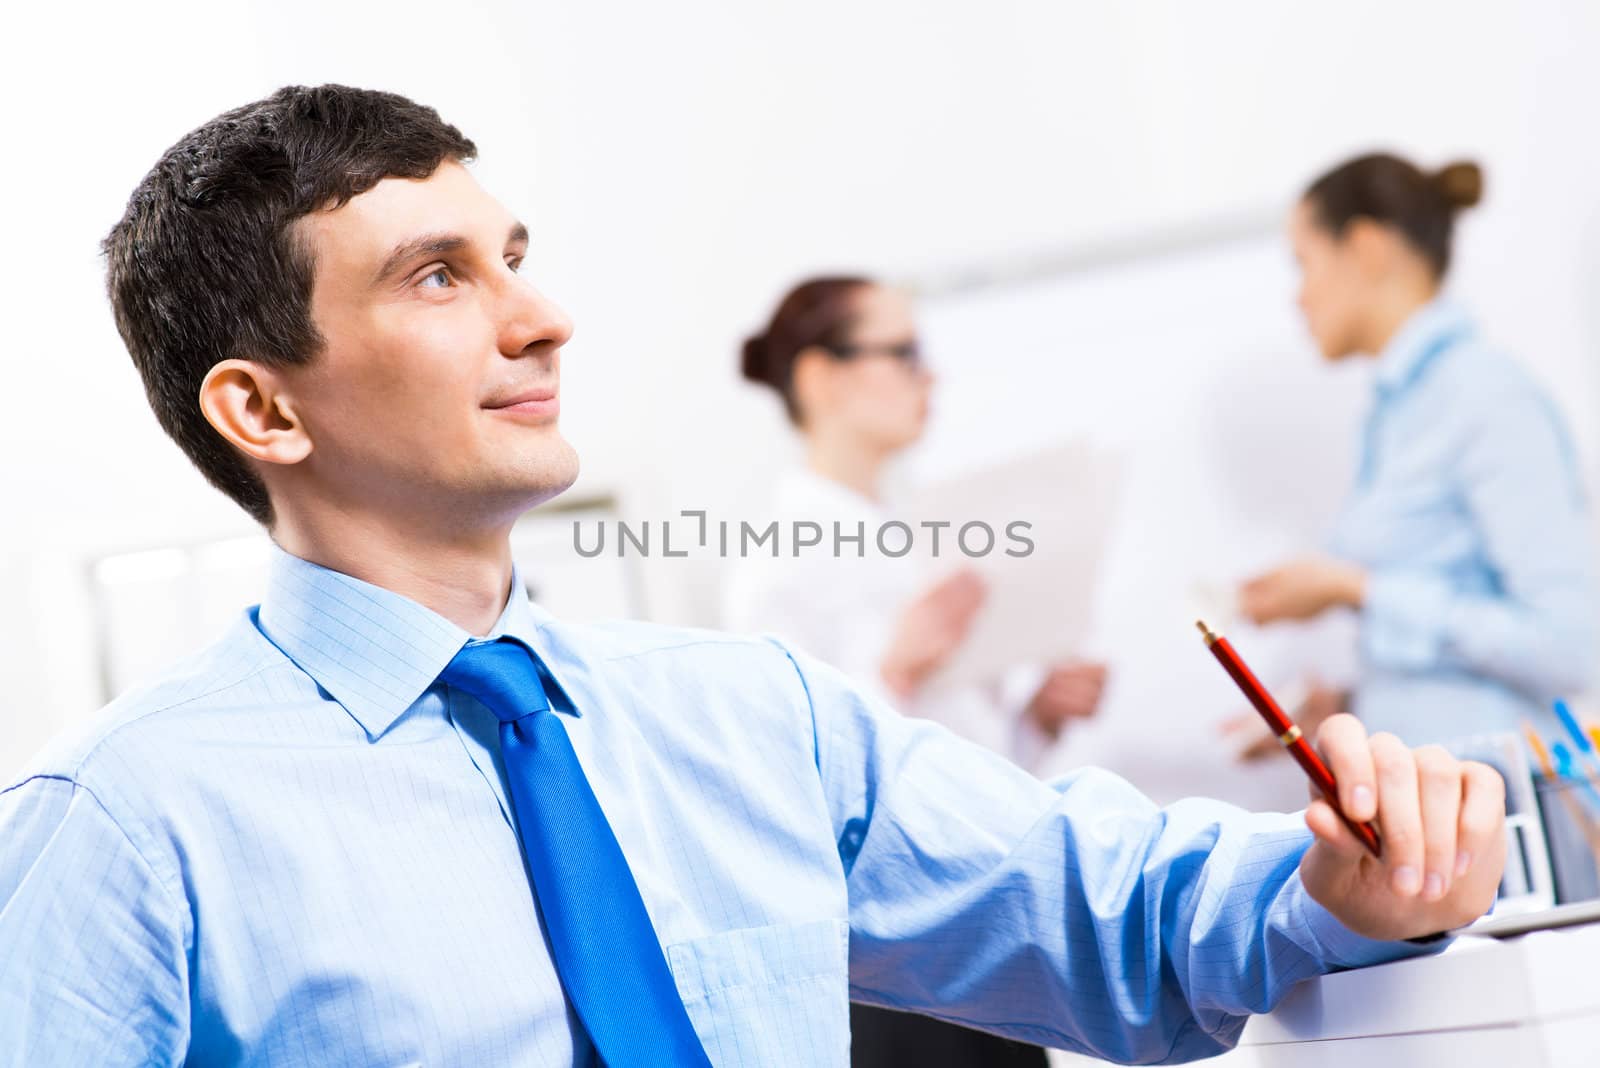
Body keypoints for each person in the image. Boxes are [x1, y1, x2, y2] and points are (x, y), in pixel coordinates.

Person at [0, 87, 1506, 1067]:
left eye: (516, 255)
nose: (546, 319)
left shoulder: (751, 720)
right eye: (440, 276)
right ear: (263, 409)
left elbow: (1113, 914)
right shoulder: (122, 833)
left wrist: (1333, 883)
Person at [726, 277, 1107, 1066]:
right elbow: (784, 781)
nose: (926, 376)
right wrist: (895, 669)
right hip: (892, 954)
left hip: (992, 925)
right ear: (820, 378)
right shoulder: (776, 561)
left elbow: (964, 763)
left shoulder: (919, 532)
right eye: (901, 354)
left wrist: (1037, 718)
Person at [1239, 153, 1597, 748]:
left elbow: (1566, 646)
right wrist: (1349, 707)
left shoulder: (1487, 397)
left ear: (1366, 248)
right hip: (1432, 806)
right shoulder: (1395, 412)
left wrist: (1352, 588)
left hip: (1498, 818)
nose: (1296, 298)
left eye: (1303, 265)